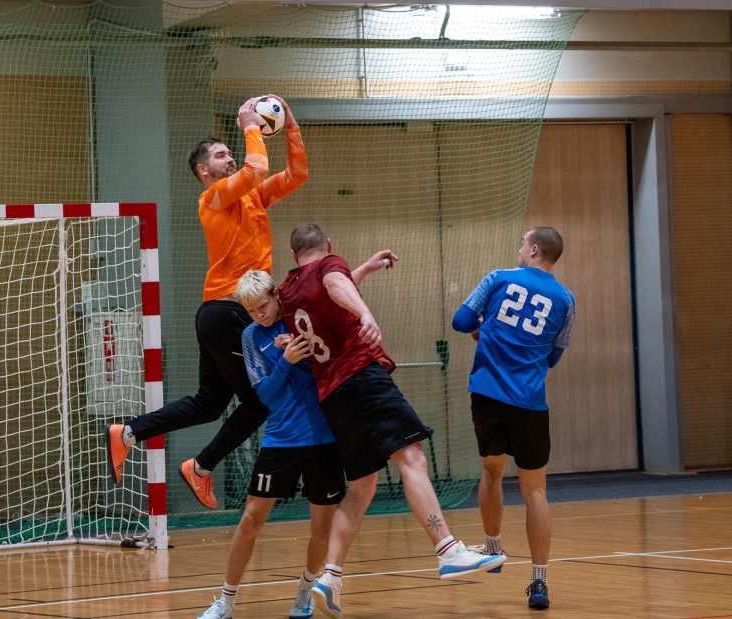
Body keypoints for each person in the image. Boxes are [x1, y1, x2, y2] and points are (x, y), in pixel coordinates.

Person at [277, 223, 505, 619]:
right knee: (412, 459)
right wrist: (364, 310)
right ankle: (448, 551)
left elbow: (329, 291)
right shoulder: (330, 267)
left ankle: (329, 577)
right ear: (328, 246)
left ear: (294, 252)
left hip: (331, 395)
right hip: (362, 377)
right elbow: (334, 284)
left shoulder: (287, 292)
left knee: (362, 485)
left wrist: (362, 270)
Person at [104, 96, 308, 510]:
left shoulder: (251, 197)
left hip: (218, 313)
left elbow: (297, 174)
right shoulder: (214, 197)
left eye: (231, 152)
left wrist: (291, 129)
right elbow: (259, 168)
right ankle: (200, 467)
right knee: (258, 401)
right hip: (229, 310)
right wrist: (251, 125)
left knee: (210, 403)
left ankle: (128, 433)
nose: (229, 158)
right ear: (204, 170)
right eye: (220, 154)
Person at [197, 255, 395, 619]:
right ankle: (225, 600)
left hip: (324, 438)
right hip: (281, 439)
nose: (260, 315)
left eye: (263, 306)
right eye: (251, 310)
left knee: (321, 527)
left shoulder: (301, 319)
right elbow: (265, 397)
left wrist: (363, 269)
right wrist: (287, 360)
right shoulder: (251, 337)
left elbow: (332, 317)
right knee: (250, 521)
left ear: (276, 295)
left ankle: (305, 592)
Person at [451, 226, 575, 610]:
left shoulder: (498, 278)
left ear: (534, 249)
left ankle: (493, 549)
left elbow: (460, 320)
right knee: (535, 490)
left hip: (488, 395)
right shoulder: (566, 299)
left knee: (491, 470)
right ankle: (539, 582)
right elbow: (553, 356)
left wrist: (484, 328)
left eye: (523, 243)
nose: (519, 248)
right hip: (529, 402)